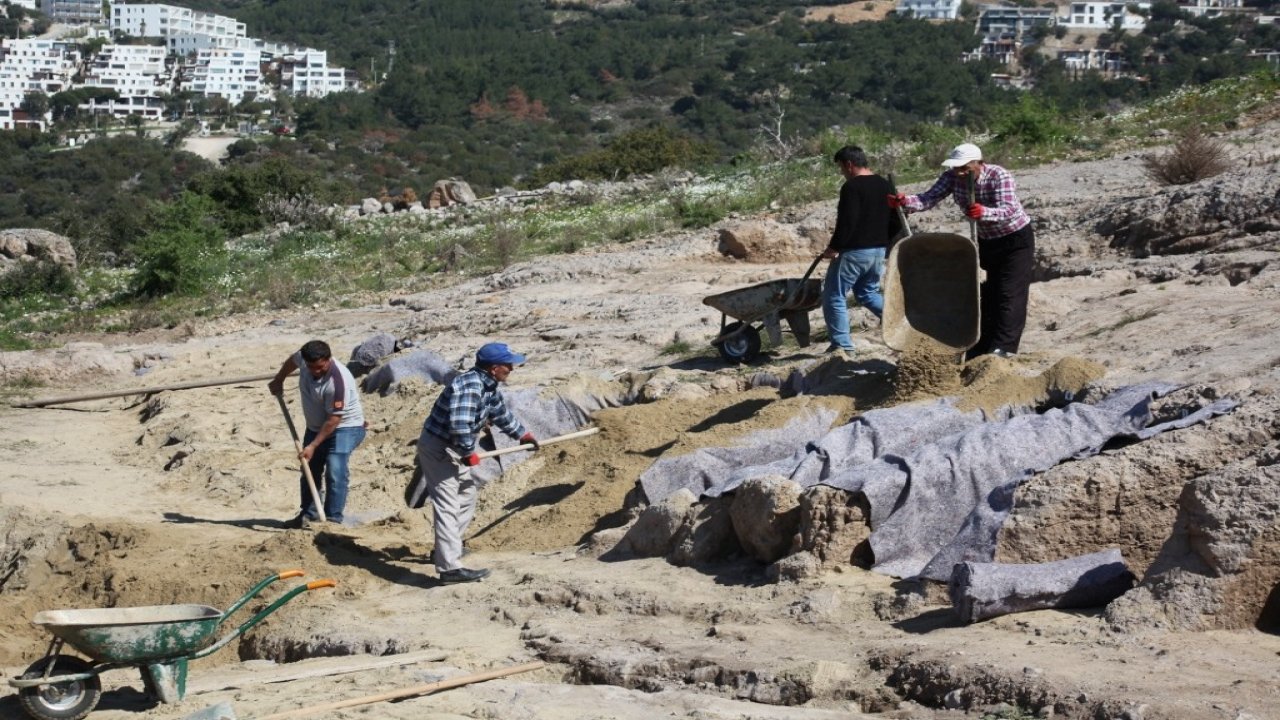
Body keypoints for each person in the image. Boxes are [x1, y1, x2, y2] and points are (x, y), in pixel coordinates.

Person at [888, 142, 1035, 360]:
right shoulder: (951, 177)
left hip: (1014, 239)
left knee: (1009, 292)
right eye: (957, 167)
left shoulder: (998, 176)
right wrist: (905, 201)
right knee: (991, 293)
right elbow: (928, 198)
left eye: (965, 167)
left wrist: (984, 212)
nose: (960, 172)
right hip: (988, 241)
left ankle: (1004, 348)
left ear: (979, 164)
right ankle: (982, 345)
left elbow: (1010, 209)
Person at [415, 342, 539, 584]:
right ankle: (449, 568)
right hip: (439, 447)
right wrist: (468, 450)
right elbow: (459, 424)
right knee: (447, 503)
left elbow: (499, 413)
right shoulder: (470, 386)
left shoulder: (488, 385)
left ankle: (446, 550)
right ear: (494, 368)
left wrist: (521, 434)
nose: (512, 368)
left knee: (467, 494)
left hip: (454, 446)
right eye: (508, 365)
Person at [268, 340, 367, 528]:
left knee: (335, 468)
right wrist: (279, 379)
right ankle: (309, 514)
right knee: (309, 469)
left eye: (320, 367)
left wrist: (313, 445)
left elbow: (334, 420)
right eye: (311, 367)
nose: (315, 371)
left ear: (329, 359)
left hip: (345, 427)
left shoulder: (338, 381)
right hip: (315, 427)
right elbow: (292, 360)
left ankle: (332, 521)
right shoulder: (303, 359)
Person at [821, 145, 901, 355]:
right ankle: (901, 323)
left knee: (833, 295)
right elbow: (898, 220)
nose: (842, 173)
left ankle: (843, 346)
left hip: (855, 251)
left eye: (841, 168)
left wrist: (834, 247)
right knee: (867, 293)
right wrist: (883, 240)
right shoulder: (885, 185)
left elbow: (847, 221)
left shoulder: (852, 187)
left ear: (849, 164)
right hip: (878, 251)